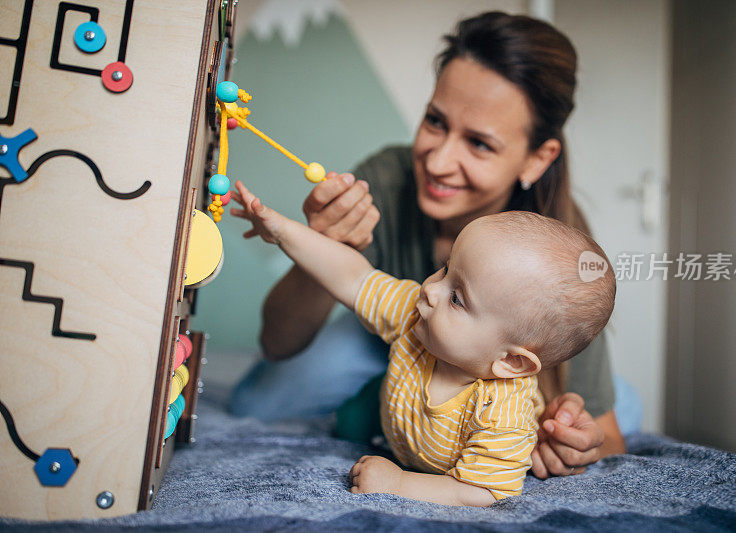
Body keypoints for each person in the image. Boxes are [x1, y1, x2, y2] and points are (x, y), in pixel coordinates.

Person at [230, 11, 627, 478]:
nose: (438, 162)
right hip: (390, 350)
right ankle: (392, 399)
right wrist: (315, 239)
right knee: (253, 399)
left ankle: (618, 395)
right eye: (436, 121)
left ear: (538, 158)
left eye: (479, 144)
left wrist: (569, 442)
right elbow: (281, 338)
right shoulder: (388, 180)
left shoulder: (560, 262)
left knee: (607, 408)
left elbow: (609, 439)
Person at [230, 180, 616, 505]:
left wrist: (399, 484)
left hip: (433, 444)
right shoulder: (416, 312)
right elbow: (353, 278)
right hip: (397, 410)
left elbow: (482, 491)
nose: (430, 289)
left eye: (457, 298)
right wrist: (281, 230)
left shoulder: (502, 412)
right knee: (350, 421)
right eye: (447, 268)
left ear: (511, 363)